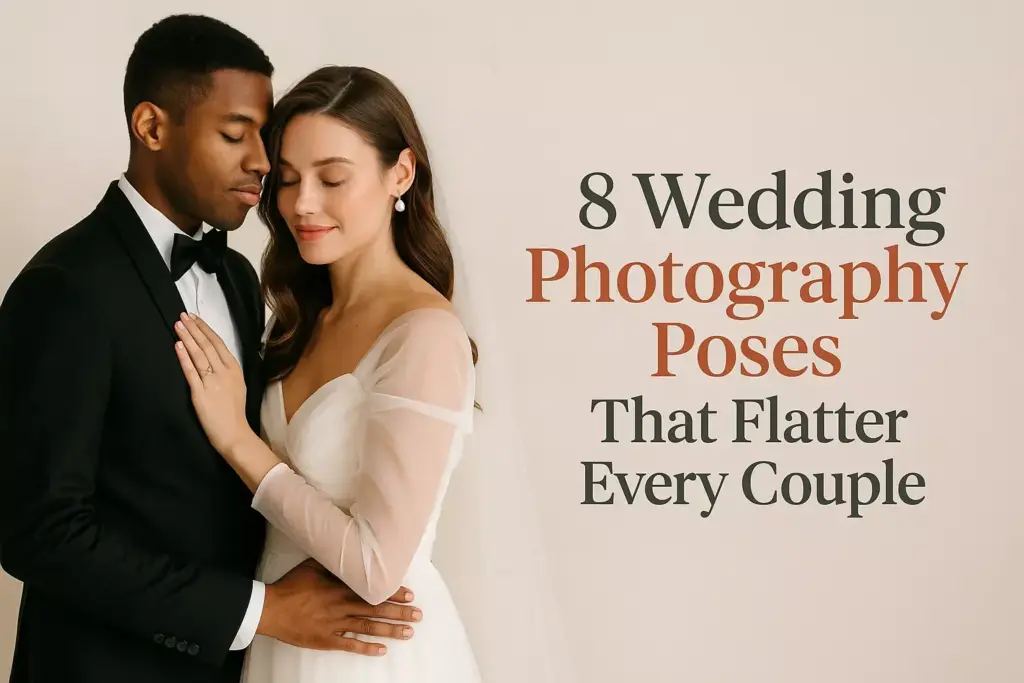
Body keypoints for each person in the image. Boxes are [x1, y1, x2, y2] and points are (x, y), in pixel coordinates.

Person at [0, 16, 420, 683]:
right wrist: (260, 611)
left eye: (263, 135)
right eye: (235, 134)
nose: (260, 161)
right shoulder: (66, 288)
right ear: (152, 127)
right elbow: (39, 530)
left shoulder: (237, 278)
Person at [170, 65, 484, 682]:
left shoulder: (423, 335)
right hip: (278, 642)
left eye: (332, 178)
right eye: (286, 180)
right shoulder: (297, 319)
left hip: (369, 656)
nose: (301, 204)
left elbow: (375, 567)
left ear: (401, 173)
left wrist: (238, 441)